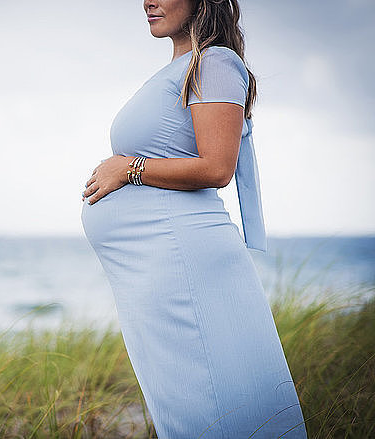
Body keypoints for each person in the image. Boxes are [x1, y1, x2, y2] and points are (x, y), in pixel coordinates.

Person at [80, 0, 308, 437]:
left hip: (181, 261)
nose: (148, 1)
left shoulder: (215, 62)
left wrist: (128, 168)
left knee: (207, 396)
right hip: (162, 267)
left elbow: (217, 167)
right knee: (183, 398)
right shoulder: (182, 68)